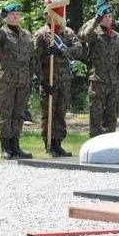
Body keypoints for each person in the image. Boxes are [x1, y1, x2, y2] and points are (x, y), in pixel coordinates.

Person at [0, 3, 34, 159]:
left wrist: (32, 78)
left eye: (18, 14)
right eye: (12, 14)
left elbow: (31, 58)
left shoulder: (26, 34)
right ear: (7, 16)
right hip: (7, 79)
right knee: (6, 115)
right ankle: (5, 146)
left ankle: (16, 145)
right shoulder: (2, 34)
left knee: (19, 114)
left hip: (23, 80)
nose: (16, 16)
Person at [33, 10, 84, 156]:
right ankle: (48, 144)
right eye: (50, 14)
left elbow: (78, 50)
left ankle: (58, 143)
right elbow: (35, 60)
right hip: (49, 80)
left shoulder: (67, 32)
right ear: (46, 16)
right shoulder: (41, 34)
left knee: (61, 113)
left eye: (56, 13)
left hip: (64, 80)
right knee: (48, 113)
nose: (53, 17)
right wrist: (42, 81)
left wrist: (61, 51)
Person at [82, 5, 119, 137]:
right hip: (98, 79)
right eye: (105, 17)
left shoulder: (117, 36)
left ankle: (109, 141)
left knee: (111, 114)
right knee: (96, 113)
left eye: (110, 16)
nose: (108, 19)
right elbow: (85, 36)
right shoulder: (95, 34)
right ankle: (95, 141)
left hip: (113, 80)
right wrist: (96, 20)